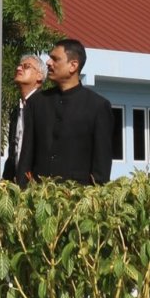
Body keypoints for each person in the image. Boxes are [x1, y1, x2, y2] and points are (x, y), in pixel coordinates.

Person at [29, 37, 113, 186]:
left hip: (76, 199)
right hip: (37, 197)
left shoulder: (98, 106)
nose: (48, 63)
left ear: (73, 65)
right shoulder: (37, 102)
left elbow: (102, 163)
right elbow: (26, 155)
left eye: (55, 59)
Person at [3, 52, 44, 187]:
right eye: (19, 66)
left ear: (39, 76)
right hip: (14, 183)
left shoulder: (44, 106)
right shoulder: (17, 109)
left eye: (26, 66)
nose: (19, 69)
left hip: (36, 186)